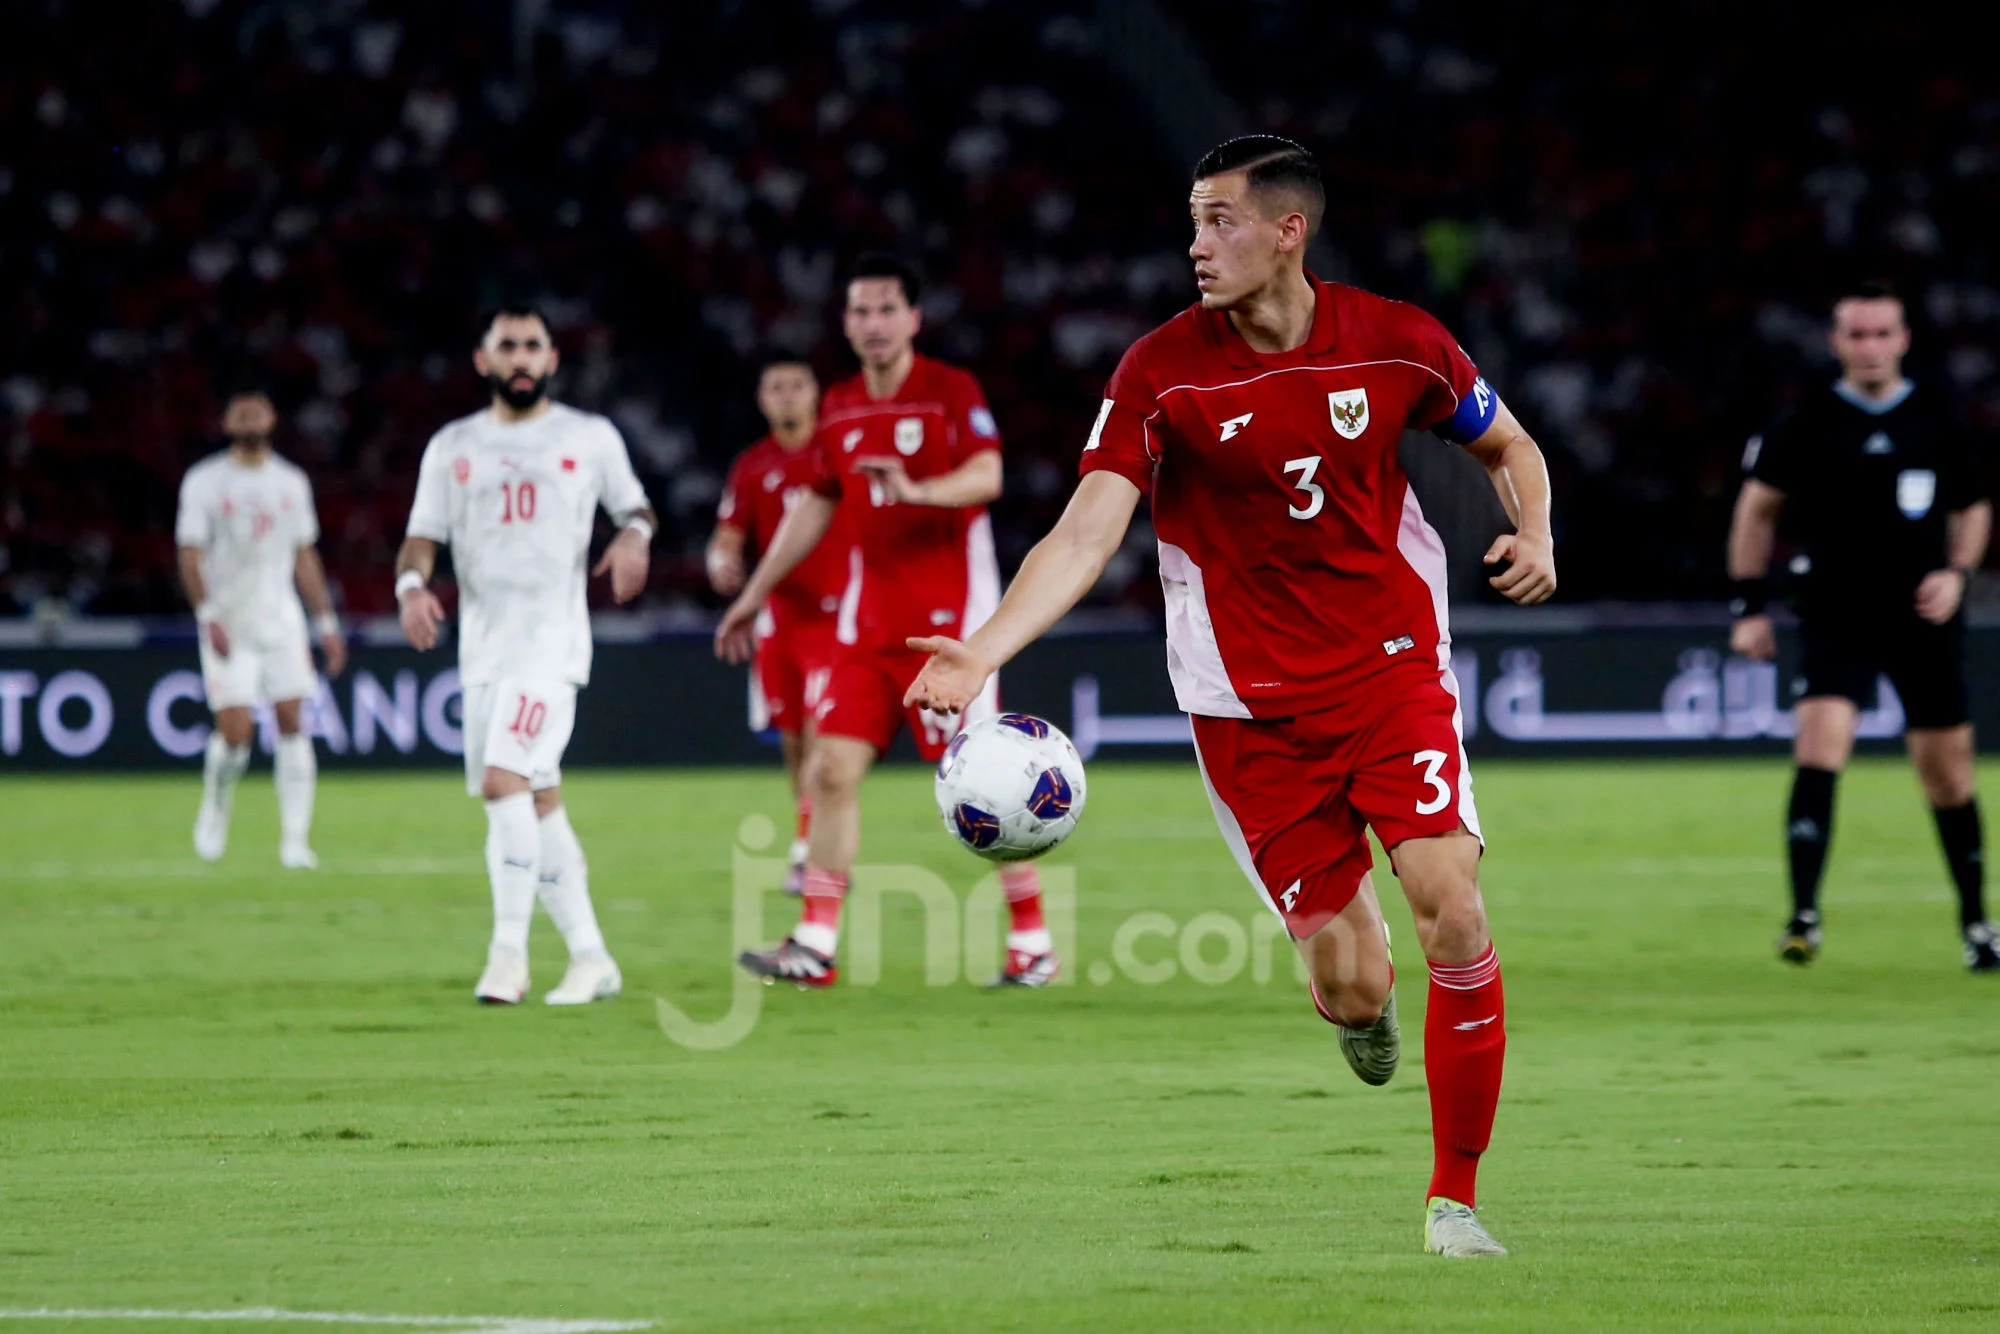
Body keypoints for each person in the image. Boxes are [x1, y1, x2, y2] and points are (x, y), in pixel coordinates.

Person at [903, 137, 1558, 1257]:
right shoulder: (1160, 369)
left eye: (1218, 221)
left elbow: (1506, 442)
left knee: (1449, 895)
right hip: (1244, 704)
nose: (1195, 245)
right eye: (1193, 221)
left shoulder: (1399, 340)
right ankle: (1359, 1009)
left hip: (1391, 665)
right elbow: (1087, 527)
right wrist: (980, 648)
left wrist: (1534, 528)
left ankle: (1453, 1199)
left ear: (1285, 230)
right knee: (1353, 985)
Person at [714, 255, 1057, 988]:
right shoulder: (837, 404)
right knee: (829, 770)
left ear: (912, 318)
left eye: (885, 309)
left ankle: (1033, 943)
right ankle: (815, 943)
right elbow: (818, 501)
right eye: (859, 311)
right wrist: (754, 594)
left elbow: (988, 476)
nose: (872, 323)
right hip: (864, 634)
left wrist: (917, 489)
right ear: (845, 323)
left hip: (950, 635)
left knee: (987, 789)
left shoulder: (948, 392)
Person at [1727, 280, 1996, 972]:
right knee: (1821, 744)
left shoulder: (1939, 417)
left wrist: (1958, 575)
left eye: (1882, 334)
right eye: (1857, 334)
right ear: (1836, 341)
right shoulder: (1806, 420)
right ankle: (1804, 916)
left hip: (1921, 616)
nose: (1870, 346)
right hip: (1836, 612)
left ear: (1903, 340)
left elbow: (1972, 506)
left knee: (1948, 774)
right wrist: (1750, 606)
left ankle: (1976, 922)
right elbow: (1756, 510)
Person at [394, 304, 656, 1006]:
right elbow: (422, 535)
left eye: (532, 346)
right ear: (483, 360)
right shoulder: (453, 445)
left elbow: (637, 509)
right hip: (482, 653)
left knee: (503, 779)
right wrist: (411, 585)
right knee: (536, 801)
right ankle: (592, 957)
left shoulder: (589, 437)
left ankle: (506, 956)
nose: (520, 357)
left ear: (552, 360)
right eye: (506, 345)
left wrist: (634, 538)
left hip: (551, 647)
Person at [176, 386, 347, 868]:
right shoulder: (206, 481)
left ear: (272, 419)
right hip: (229, 623)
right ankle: (215, 807)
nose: (249, 419)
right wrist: (206, 615)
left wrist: (326, 623)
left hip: (282, 622)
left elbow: (304, 555)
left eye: (257, 411)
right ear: (227, 422)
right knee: (235, 734)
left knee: (293, 721)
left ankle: (295, 840)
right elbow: (190, 554)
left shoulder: (290, 482)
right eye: (240, 412)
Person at [707, 358, 846, 890]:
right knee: (792, 737)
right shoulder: (752, 465)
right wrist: (721, 561)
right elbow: (728, 534)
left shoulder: (833, 452)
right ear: (762, 399)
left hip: (836, 617)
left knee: (819, 730)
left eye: (796, 386)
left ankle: (810, 848)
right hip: (779, 620)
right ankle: (808, 831)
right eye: (776, 388)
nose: (787, 396)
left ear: (814, 394)